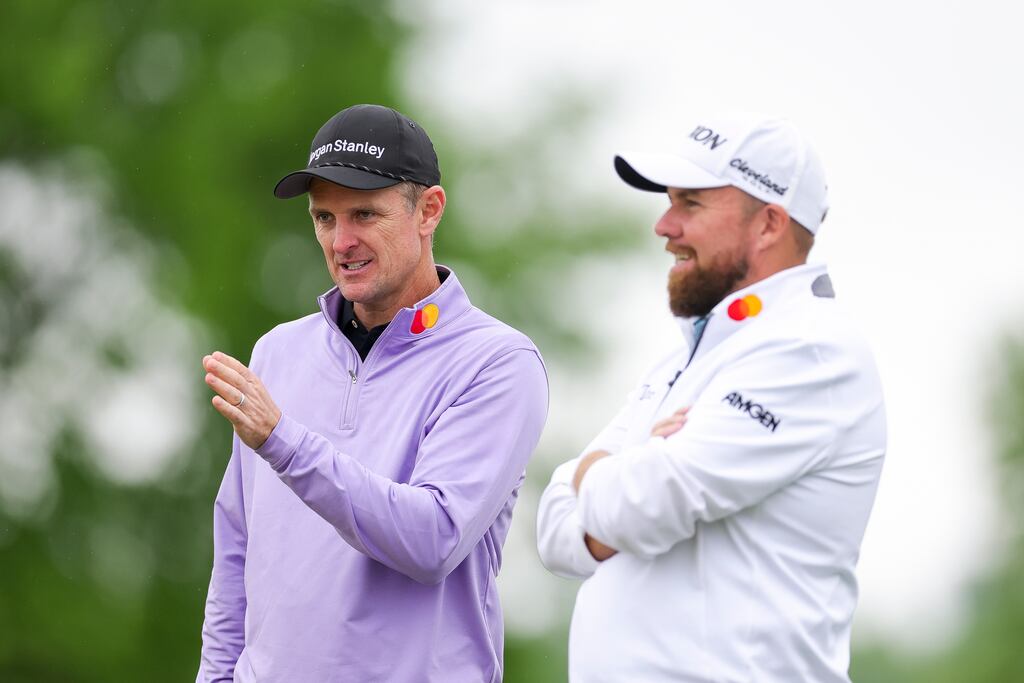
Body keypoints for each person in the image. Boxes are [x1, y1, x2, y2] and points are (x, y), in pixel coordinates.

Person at [196, 103, 549, 682]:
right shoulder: (278, 352)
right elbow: (238, 543)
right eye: (324, 219)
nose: (342, 242)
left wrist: (284, 441)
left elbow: (431, 540)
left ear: (428, 210)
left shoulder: (497, 363)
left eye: (365, 213)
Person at [536, 113, 886, 682]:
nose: (663, 225)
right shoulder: (688, 358)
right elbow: (555, 534)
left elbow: (639, 506)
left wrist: (601, 470)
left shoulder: (812, 350)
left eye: (690, 204)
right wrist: (627, 475)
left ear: (769, 224)